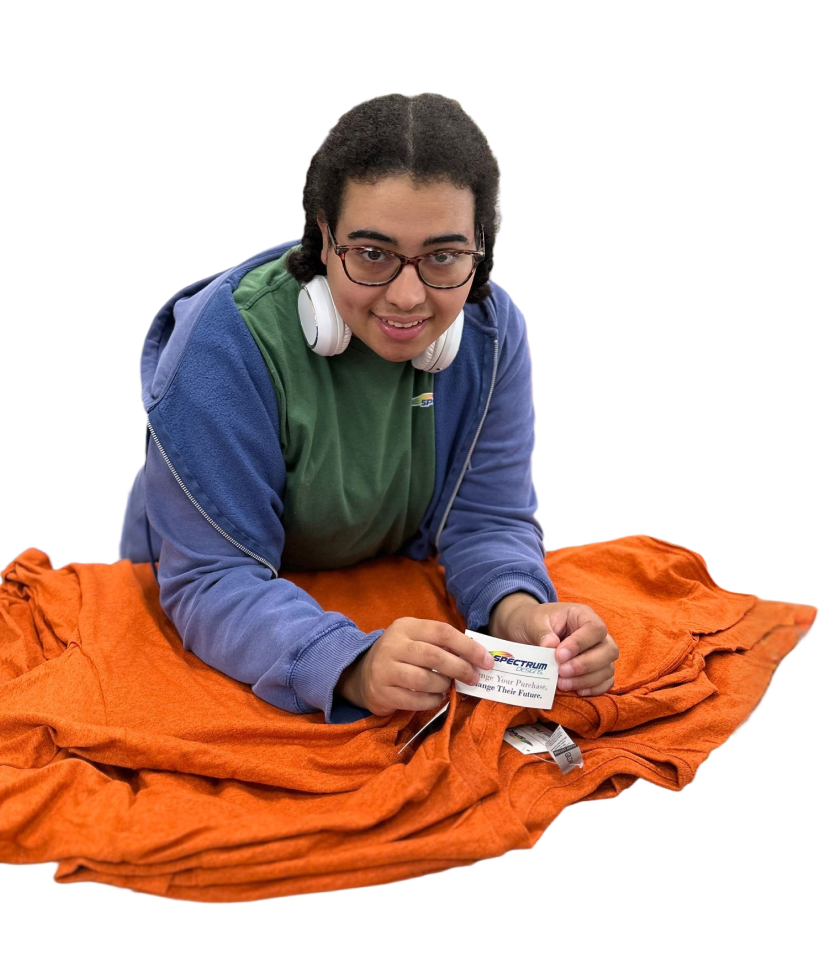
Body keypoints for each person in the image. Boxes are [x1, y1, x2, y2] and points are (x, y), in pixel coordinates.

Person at [117, 92, 617, 723]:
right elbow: (212, 579)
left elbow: (488, 521)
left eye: (443, 256)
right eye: (373, 254)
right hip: (216, 604)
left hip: (371, 580)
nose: (407, 297)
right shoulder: (222, 348)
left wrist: (522, 614)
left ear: (481, 249)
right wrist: (350, 665)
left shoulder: (491, 336)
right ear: (324, 237)